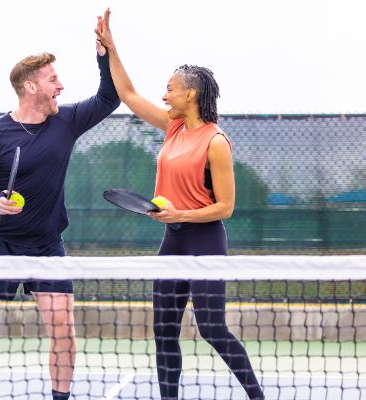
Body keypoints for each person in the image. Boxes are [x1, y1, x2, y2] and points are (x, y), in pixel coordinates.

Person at [94, 8, 265, 400]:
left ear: (190, 94)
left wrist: (181, 214)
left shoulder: (216, 142)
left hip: (205, 241)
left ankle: (258, 396)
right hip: (173, 241)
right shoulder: (172, 127)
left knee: (212, 328)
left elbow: (225, 207)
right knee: (164, 330)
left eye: (170, 88)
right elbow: (129, 94)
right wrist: (111, 49)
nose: (163, 94)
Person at [0, 36, 120, 400]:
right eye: (54, 80)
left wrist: (104, 56)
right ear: (31, 86)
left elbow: (108, 98)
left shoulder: (66, 121)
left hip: (47, 246)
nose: (61, 86)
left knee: (63, 331)